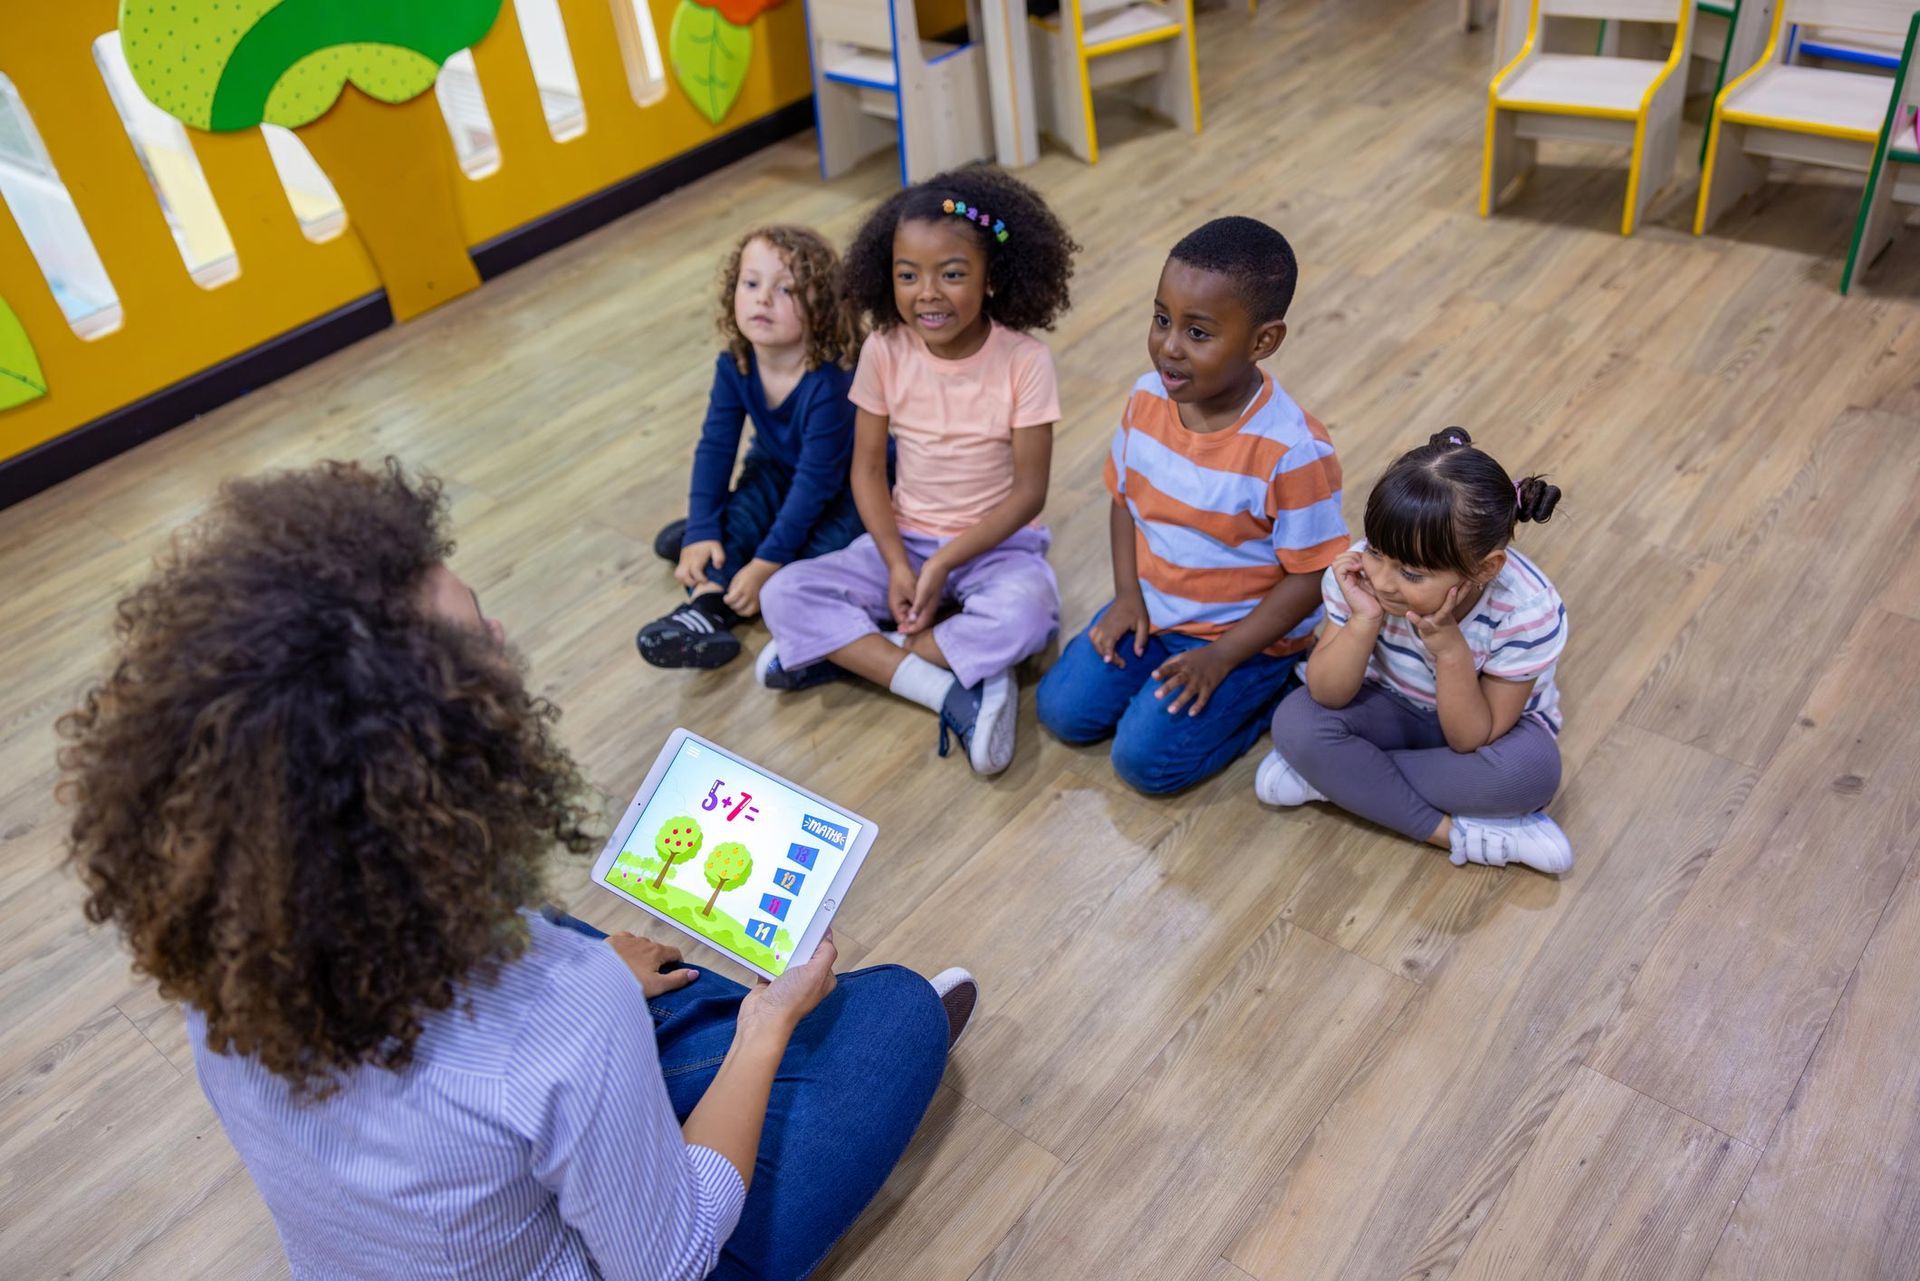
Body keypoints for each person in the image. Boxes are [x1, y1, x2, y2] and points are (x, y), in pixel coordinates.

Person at [59, 459, 979, 1280]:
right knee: (894, 1015)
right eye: (475, 642)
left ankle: (684, 1048)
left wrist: (594, 1001)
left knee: (570, 939)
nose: (499, 632)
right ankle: (761, 1034)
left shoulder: (224, 968)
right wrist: (764, 1029)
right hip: (642, 1249)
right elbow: (672, 1261)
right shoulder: (565, 1007)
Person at [756, 168, 1080, 776]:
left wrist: (943, 562)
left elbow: (1030, 492)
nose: (927, 293)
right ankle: (946, 687)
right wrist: (901, 563)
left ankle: (859, 654)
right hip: (902, 542)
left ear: (991, 278)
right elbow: (866, 471)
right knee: (783, 593)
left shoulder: (1026, 360)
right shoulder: (884, 348)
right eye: (908, 275)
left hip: (996, 546)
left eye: (951, 274)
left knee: (1030, 615)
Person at [1034, 217, 1346, 794]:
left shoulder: (1293, 450)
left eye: (1197, 332)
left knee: (1144, 764)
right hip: (1153, 611)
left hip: (1243, 639)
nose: (1169, 346)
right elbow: (1124, 500)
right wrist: (1127, 596)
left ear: (1263, 342)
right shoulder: (1145, 397)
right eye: (1161, 320)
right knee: (1061, 712)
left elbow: (1311, 576)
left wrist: (1222, 657)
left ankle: (1273, 690)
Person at [1260, 428, 1573, 873]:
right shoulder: (1358, 577)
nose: (1383, 581)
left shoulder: (1527, 609)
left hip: (1484, 733)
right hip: (1390, 705)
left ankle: (1338, 779)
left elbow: (1470, 738)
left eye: (1411, 574)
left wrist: (1450, 651)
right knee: (1296, 722)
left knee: (1531, 774)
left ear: (1485, 568)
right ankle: (1455, 834)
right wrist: (1363, 619)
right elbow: (1327, 693)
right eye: (1376, 551)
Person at [639, 227, 865, 670]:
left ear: (821, 306)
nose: (763, 298)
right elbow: (715, 447)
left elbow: (816, 482)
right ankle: (704, 608)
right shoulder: (736, 362)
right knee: (735, 524)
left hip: (845, 486)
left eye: (786, 289)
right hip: (775, 468)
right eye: (751, 283)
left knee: (810, 562)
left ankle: (730, 574)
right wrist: (702, 529)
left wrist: (768, 563)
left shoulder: (830, 379)